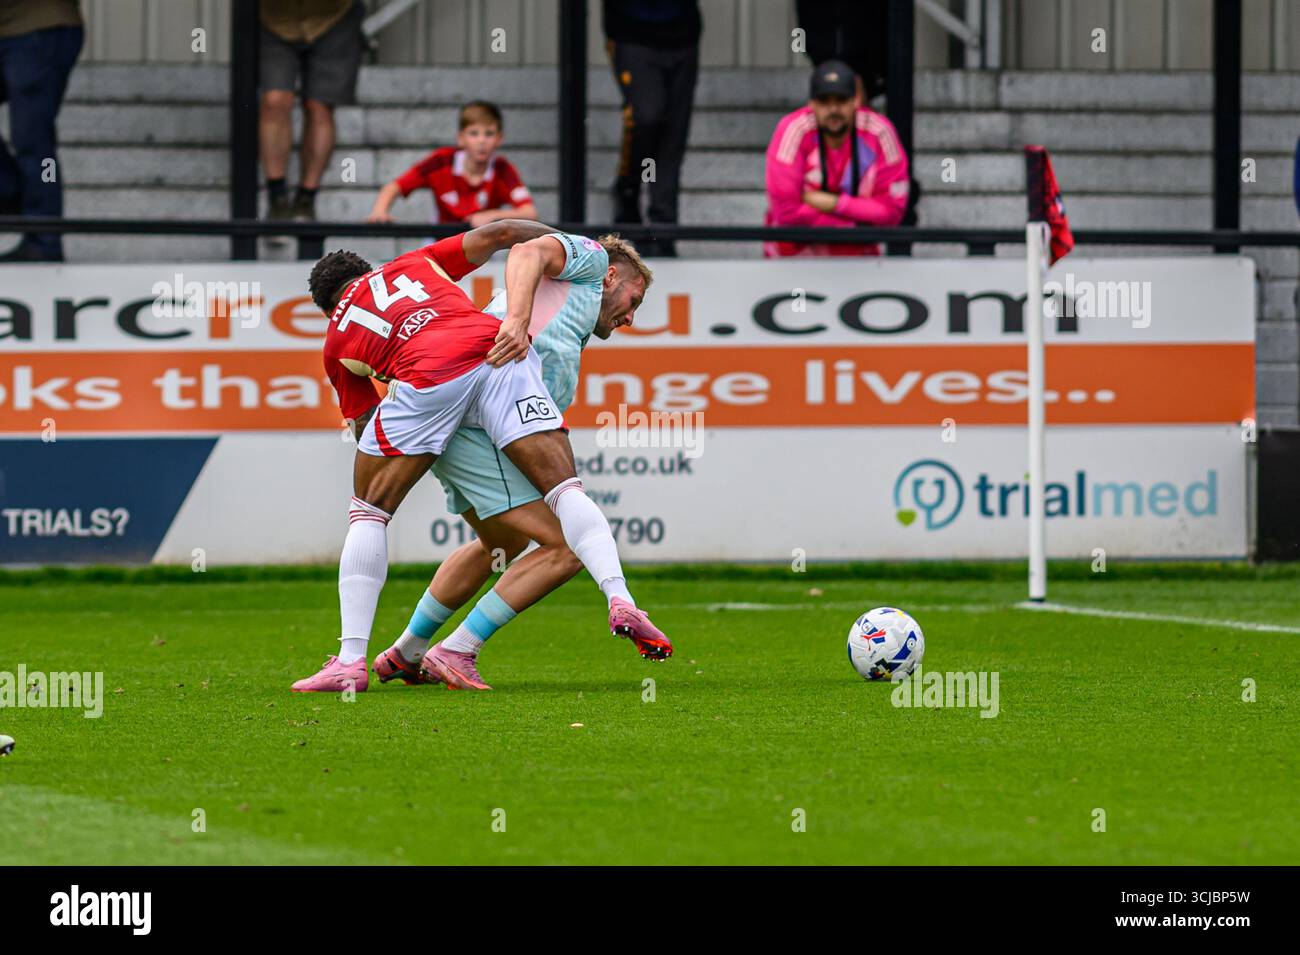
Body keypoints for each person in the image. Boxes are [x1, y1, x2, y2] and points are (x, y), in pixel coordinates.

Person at [291, 223, 668, 692]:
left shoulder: (335, 342)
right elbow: (511, 236)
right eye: (634, 300)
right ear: (612, 276)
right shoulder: (416, 263)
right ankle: (459, 648)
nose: (631, 315)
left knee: (457, 533)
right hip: (491, 368)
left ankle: (376, 657)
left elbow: (367, 422)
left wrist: (413, 447)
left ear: (328, 308)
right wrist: (520, 311)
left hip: (437, 395)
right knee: (564, 532)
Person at [764, 59, 909, 258]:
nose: (833, 110)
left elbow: (892, 213)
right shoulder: (793, 130)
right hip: (793, 261)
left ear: (855, 101)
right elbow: (786, 213)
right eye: (824, 101)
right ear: (811, 104)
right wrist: (856, 223)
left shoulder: (879, 133)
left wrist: (833, 203)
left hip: (858, 262)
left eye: (841, 100)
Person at [602, 0, 701, 257]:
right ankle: (628, 189)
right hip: (631, 30)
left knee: (674, 132)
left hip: (682, 31)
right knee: (647, 116)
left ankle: (664, 228)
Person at [259, 0, 365, 225]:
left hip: (333, 17)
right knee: (275, 99)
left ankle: (307, 197)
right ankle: (277, 195)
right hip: (273, 17)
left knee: (319, 106)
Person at [0, 0, 83, 263]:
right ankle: (12, 193)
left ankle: (44, 240)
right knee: (32, 140)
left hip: (39, 27)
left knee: (32, 138)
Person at [367, 101, 537, 227]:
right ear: (460, 138)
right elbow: (393, 187)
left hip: (484, 249)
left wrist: (492, 216)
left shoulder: (503, 169)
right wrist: (379, 212)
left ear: (499, 139)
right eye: (474, 133)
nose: (481, 141)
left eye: (489, 134)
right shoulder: (441, 161)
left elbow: (530, 213)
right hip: (440, 244)